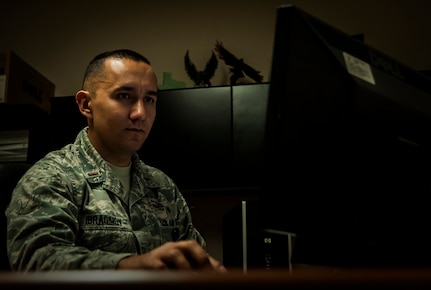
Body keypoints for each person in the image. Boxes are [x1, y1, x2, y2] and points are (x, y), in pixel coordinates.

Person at [5, 49, 227, 273]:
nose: (140, 112)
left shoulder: (162, 187)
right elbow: (36, 260)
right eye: (124, 96)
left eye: (149, 99)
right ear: (85, 104)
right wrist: (129, 267)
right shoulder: (52, 177)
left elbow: (196, 259)